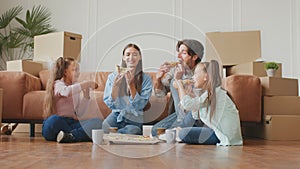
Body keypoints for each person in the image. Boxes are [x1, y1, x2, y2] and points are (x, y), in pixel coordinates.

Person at [175, 60, 243, 146]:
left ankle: (176, 133)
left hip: (223, 136)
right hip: (221, 133)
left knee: (183, 133)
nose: (193, 77)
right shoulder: (212, 93)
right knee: (188, 127)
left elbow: (186, 105)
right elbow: (195, 116)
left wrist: (179, 82)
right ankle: (176, 132)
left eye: (195, 73)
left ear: (205, 76)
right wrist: (191, 94)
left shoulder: (213, 93)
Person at [42, 57, 102, 143]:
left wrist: (86, 96)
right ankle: (74, 135)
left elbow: (80, 112)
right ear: (65, 72)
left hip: (71, 124)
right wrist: (86, 83)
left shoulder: (75, 88)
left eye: (78, 70)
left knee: (97, 122)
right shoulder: (58, 84)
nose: (78, 73)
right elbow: (66, 92)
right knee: (53, 120)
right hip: (57, 124)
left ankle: (70, 136)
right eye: (75, 70)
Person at [151, 39, 204, 136]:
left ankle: (185, 130)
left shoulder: (202, 72)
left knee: (170, 134)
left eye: (183, 53)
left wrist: (178, 80)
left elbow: (195, 104)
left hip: (194, 115)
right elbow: (160, 95)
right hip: (178, 115)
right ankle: (181, 129)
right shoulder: (175, 69)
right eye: (178, 53)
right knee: (155, 131)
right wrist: (158, 79)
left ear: (195, 56)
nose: (178, 56)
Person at [102, 43, 152, 135]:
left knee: (133, 131)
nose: (131, 58)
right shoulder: (113, 77)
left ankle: (115, 135)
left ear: (140, 57)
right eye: (128, 54)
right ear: (123, 58)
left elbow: (140, 105)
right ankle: (119, 135)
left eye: (135, 54)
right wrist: (115, 86)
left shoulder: (146, 79)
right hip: (117, 115)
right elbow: (110, 104)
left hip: (135, 117)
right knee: (105, 126)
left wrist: (131, 85)